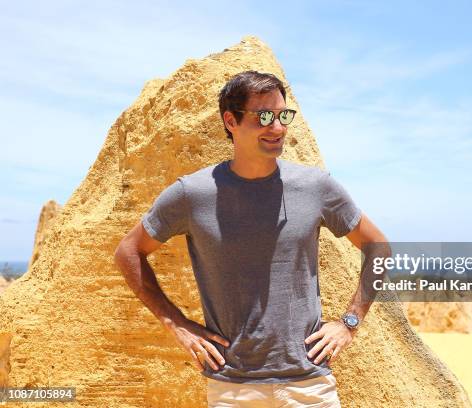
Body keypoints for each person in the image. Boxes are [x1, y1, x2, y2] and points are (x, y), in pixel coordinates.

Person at [114, 70, 389, 407]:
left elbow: (380, 249)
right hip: (232, 389)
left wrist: (349, 323)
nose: (277, 128)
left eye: (283, 115)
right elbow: (128, 252)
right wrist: (176, 323)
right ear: (231, 120)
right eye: (263, 117)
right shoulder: (192, 194)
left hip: (309, 386)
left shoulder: (316, 187)